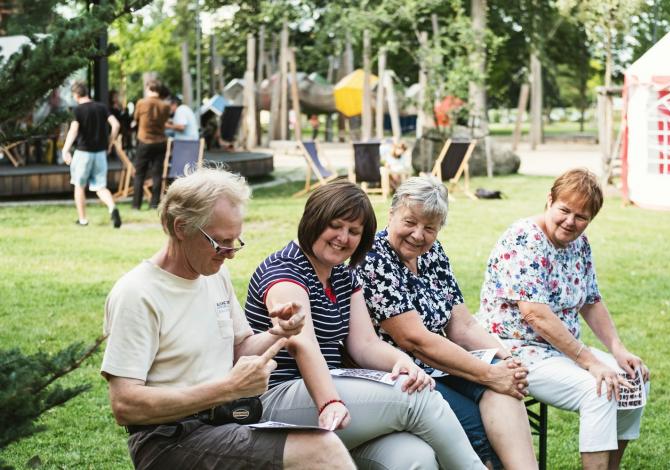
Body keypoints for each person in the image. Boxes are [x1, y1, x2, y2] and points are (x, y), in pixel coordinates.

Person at [101, 166, 355, 470]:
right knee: (321, 450)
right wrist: (228, 390)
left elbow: (238, 349)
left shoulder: (213, 274)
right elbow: (124, 405)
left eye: (236, 241)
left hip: (226, 422)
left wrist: (280, 332)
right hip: (168, 441)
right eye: (222, 242)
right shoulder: (138, 293)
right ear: (181, 228)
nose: (231, 253)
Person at [245, 179, 484, 470]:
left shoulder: (342, 276)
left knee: (413, 457)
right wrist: (329, 402)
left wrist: (404, 363)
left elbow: (365, 345)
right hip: (278, 396)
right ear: (313, 219)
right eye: (336, 225)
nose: (343, 238)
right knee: (417, 399)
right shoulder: (286, 272)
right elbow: (303, 345)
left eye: (354, 231)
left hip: (329, 388)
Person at [356, 175, 538, 470]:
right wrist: (491, 374)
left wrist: (506, 358)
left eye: (429, 228)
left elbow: (462, 326)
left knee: (504, 388)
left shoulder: (433, 253)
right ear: (390, 215)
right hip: (402, 374)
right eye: (409, 222)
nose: (418, 235)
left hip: (439, 365)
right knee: (480, 423)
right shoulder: (374, 258)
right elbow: (415, 341)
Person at [476, 168, 650, 470]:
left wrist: (618, 350)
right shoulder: (524, 238)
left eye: (581, 217)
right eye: (564, 210)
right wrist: (590, 362)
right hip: (514, 350)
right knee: (599, 390)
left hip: (560, 350)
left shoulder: (579, 245)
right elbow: (535, 314)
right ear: (549, 200)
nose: (570, 222)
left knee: (633, 381)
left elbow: (591, 300)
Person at [62, 81, 121, 228]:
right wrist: (110, 141)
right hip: (100, 153)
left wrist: (65, 149)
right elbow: (116, 124)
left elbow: (73, 130)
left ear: (76, 95)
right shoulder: (101, 107)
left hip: (83, 152)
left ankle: (83, 220)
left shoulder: (78, 110)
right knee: (100, 187)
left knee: (79, 186)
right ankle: (112, 208)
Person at [132, 79, 171, 210]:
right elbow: (165, 120)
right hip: (160, 142)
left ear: (148, 88)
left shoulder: (141, 103)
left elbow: (136, 118)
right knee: (157, 174)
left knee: (139, 174)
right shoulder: (165, 106)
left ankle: (136, 205)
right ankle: (154, 204)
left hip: (144, 141)